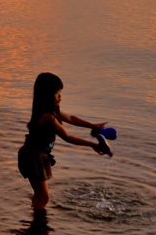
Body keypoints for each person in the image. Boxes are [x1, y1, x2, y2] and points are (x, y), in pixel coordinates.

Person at [17, 72, 110, 209]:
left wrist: (92, 125)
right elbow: (68, 137)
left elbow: (72, 118)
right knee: (44, 197)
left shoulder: (53, 112)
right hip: (33, 156)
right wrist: (92, 144)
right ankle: (38, 226)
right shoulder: (47, 118)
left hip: (35, 155)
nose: (60, 96)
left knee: (39, 195)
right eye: (56, 93)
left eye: (60, 92)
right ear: (46, 94)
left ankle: (34, 220)